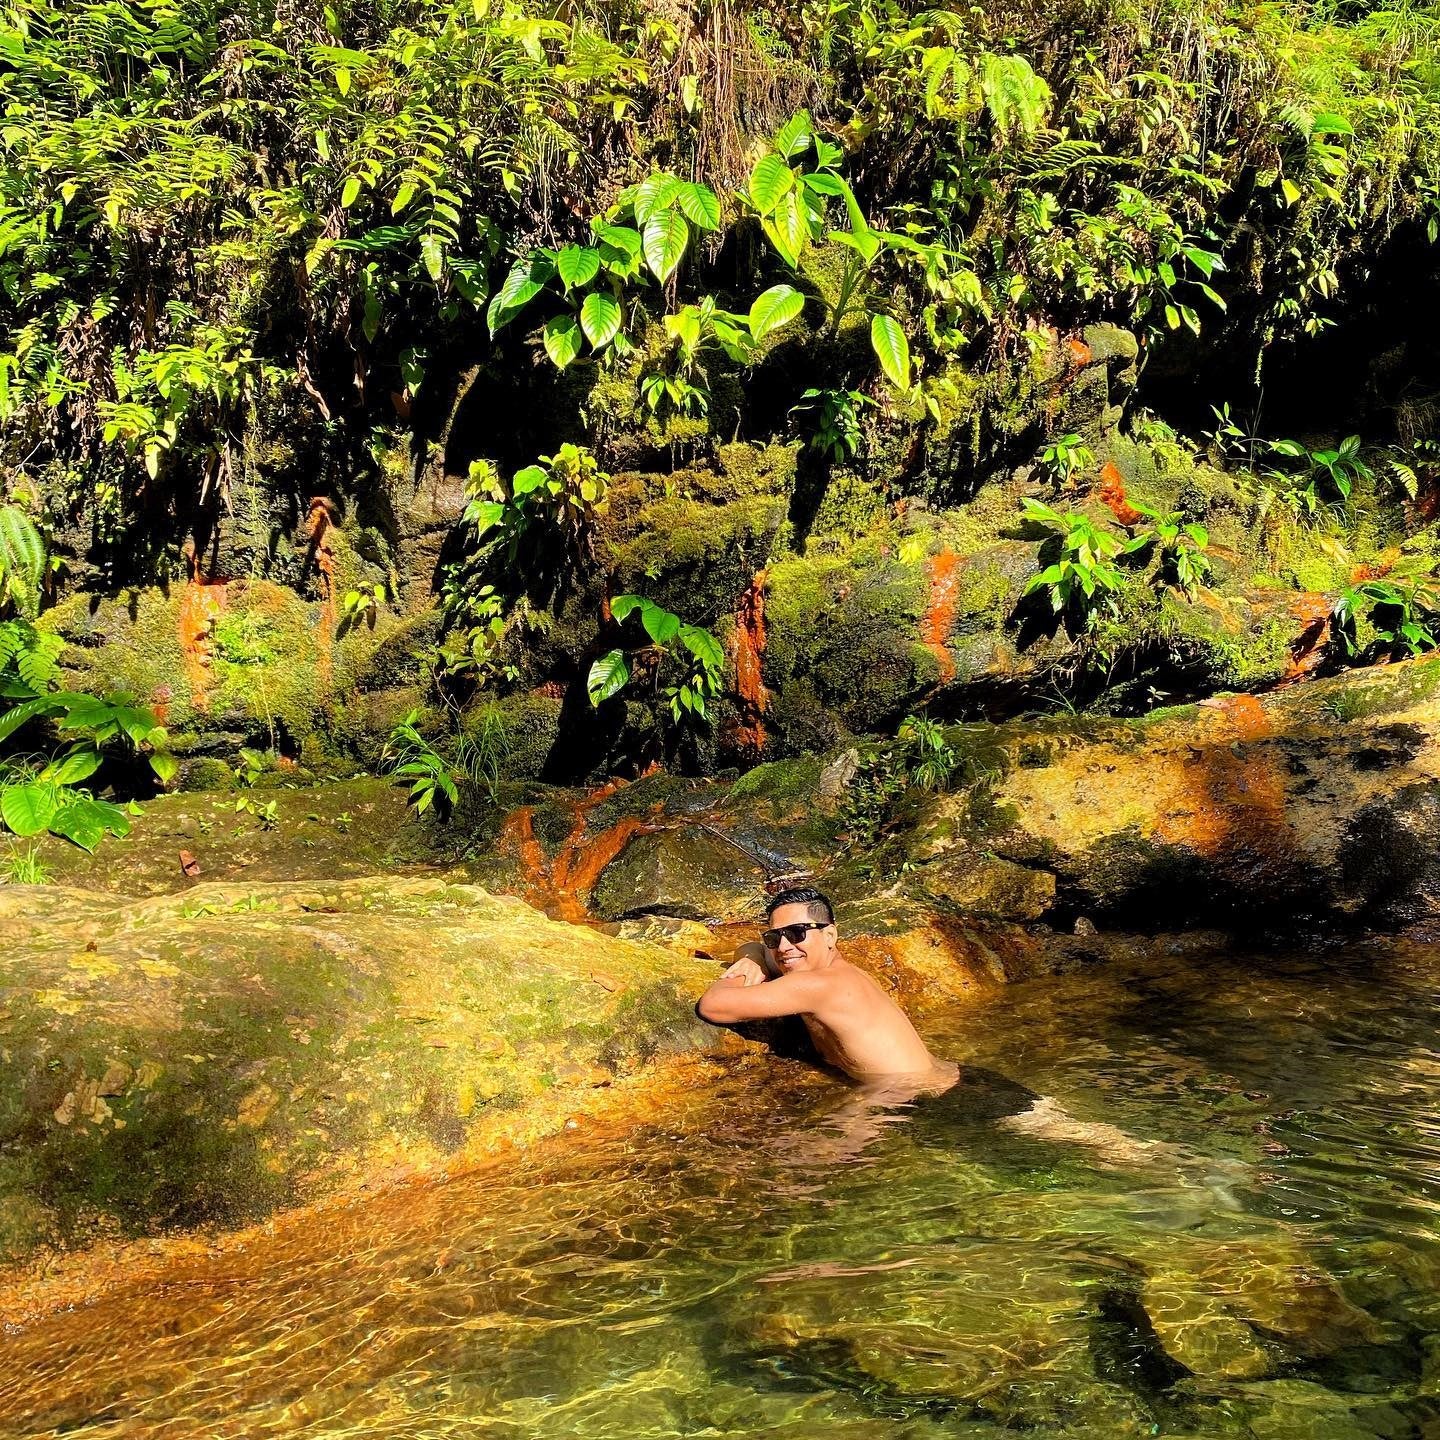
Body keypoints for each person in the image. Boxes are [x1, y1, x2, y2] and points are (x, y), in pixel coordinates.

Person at [697, 885, 1175, 1169]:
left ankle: (1209, 1179)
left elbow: (715, 1007)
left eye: (796, 934)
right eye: (773, 938)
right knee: (1099, 1150)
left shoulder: (822, 985)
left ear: (831, 935)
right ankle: (1201, 1173)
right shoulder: (823, 975)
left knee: (1119, 1154)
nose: (784, 947)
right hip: (945, 1085)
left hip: (948, 1094)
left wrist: (744, 963)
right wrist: (759, 953)